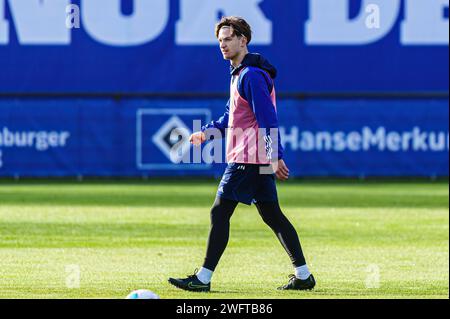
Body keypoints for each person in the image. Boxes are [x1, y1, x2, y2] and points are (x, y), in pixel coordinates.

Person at [168, 16, 315, 292]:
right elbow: (230, 116)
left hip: (248, 158)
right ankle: (304, 275)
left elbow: (267, 117)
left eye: (228, 39)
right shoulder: (240, 74)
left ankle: (203, 278)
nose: (223, 45)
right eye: (220, 40)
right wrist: (207, 132)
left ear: (243, 40)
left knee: (219, 212)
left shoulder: (252, 75)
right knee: (273, 215)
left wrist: (275, 154)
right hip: (255, 157)